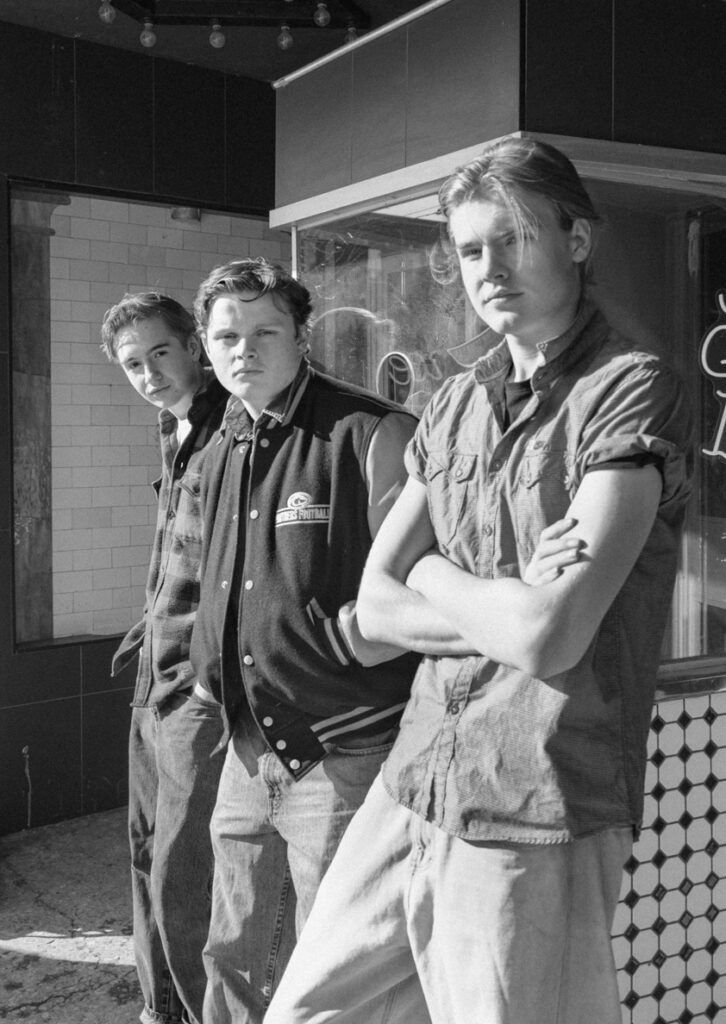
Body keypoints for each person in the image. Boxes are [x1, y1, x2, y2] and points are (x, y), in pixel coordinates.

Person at [263, 138, 694, 1024]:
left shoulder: (630, 388)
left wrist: (432, 574)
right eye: (469, 249)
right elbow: (374, 607)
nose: (488, 269)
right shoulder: (456, 401)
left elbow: (551, 637)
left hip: (534, 795)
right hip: (416, 773)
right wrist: (496, 598)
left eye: (514, 238)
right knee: (305, 1010)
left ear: (577, 239)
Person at [101, 293, 228, 1024]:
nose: (148, 373)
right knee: (145, 851)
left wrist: (208, 678)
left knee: (185, 871)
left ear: (191, 347)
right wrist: (146, 628)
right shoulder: (171, 426)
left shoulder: (228, 430)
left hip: (194, 687)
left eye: (159, 353)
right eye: (132, 363)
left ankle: (191, 1011)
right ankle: (160, 1010)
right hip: (154, 671)